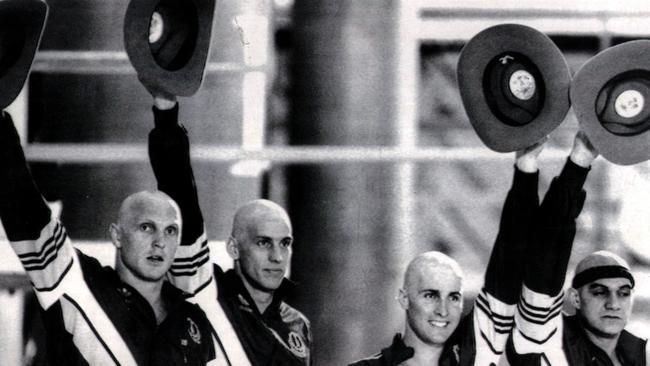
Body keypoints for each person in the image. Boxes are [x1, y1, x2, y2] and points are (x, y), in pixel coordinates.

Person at [348, 131, 597, 366]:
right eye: (430, 295)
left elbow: (522, 263)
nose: (443, 310)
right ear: (404, 298)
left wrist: (555, 165)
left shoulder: (475, 351)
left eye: (454, 297)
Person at [0, 107, 219, 365]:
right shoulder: (80, 287)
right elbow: (25, 209)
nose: (160, 241)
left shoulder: (193, 318)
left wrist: (167, 108)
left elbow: (187, 208)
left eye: (170, 231)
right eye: (146, 227)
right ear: (116, 235)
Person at [147, 94, 311, 366]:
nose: (277, 256)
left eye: (285, 243)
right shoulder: (204, 293)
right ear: (234, 247)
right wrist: (166, 110)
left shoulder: (299, 326)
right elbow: (181, 196)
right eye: (263, 243)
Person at [505, 138, 648, 365]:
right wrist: (578, 162)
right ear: (576, 298)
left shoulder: (640, 353)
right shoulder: (548, 343)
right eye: (600, 292)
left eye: (623, 293)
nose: (613, 304)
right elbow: (546, 252)